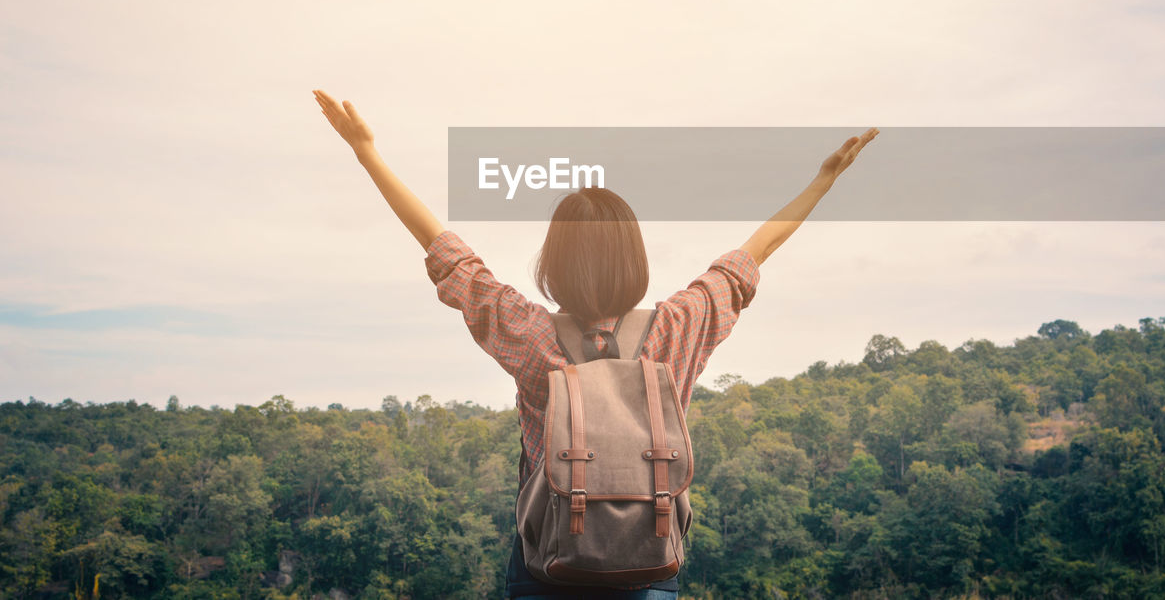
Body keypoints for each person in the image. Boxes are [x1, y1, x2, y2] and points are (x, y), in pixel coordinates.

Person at [312, 88, 879, 599]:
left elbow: (447, 253)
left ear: (553, 264)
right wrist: (822, 181)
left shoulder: (529, 333)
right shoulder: (677, 327)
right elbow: (750, 256)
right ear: (634, 259)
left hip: (547, 564)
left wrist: (367, 153)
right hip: (649, 558)